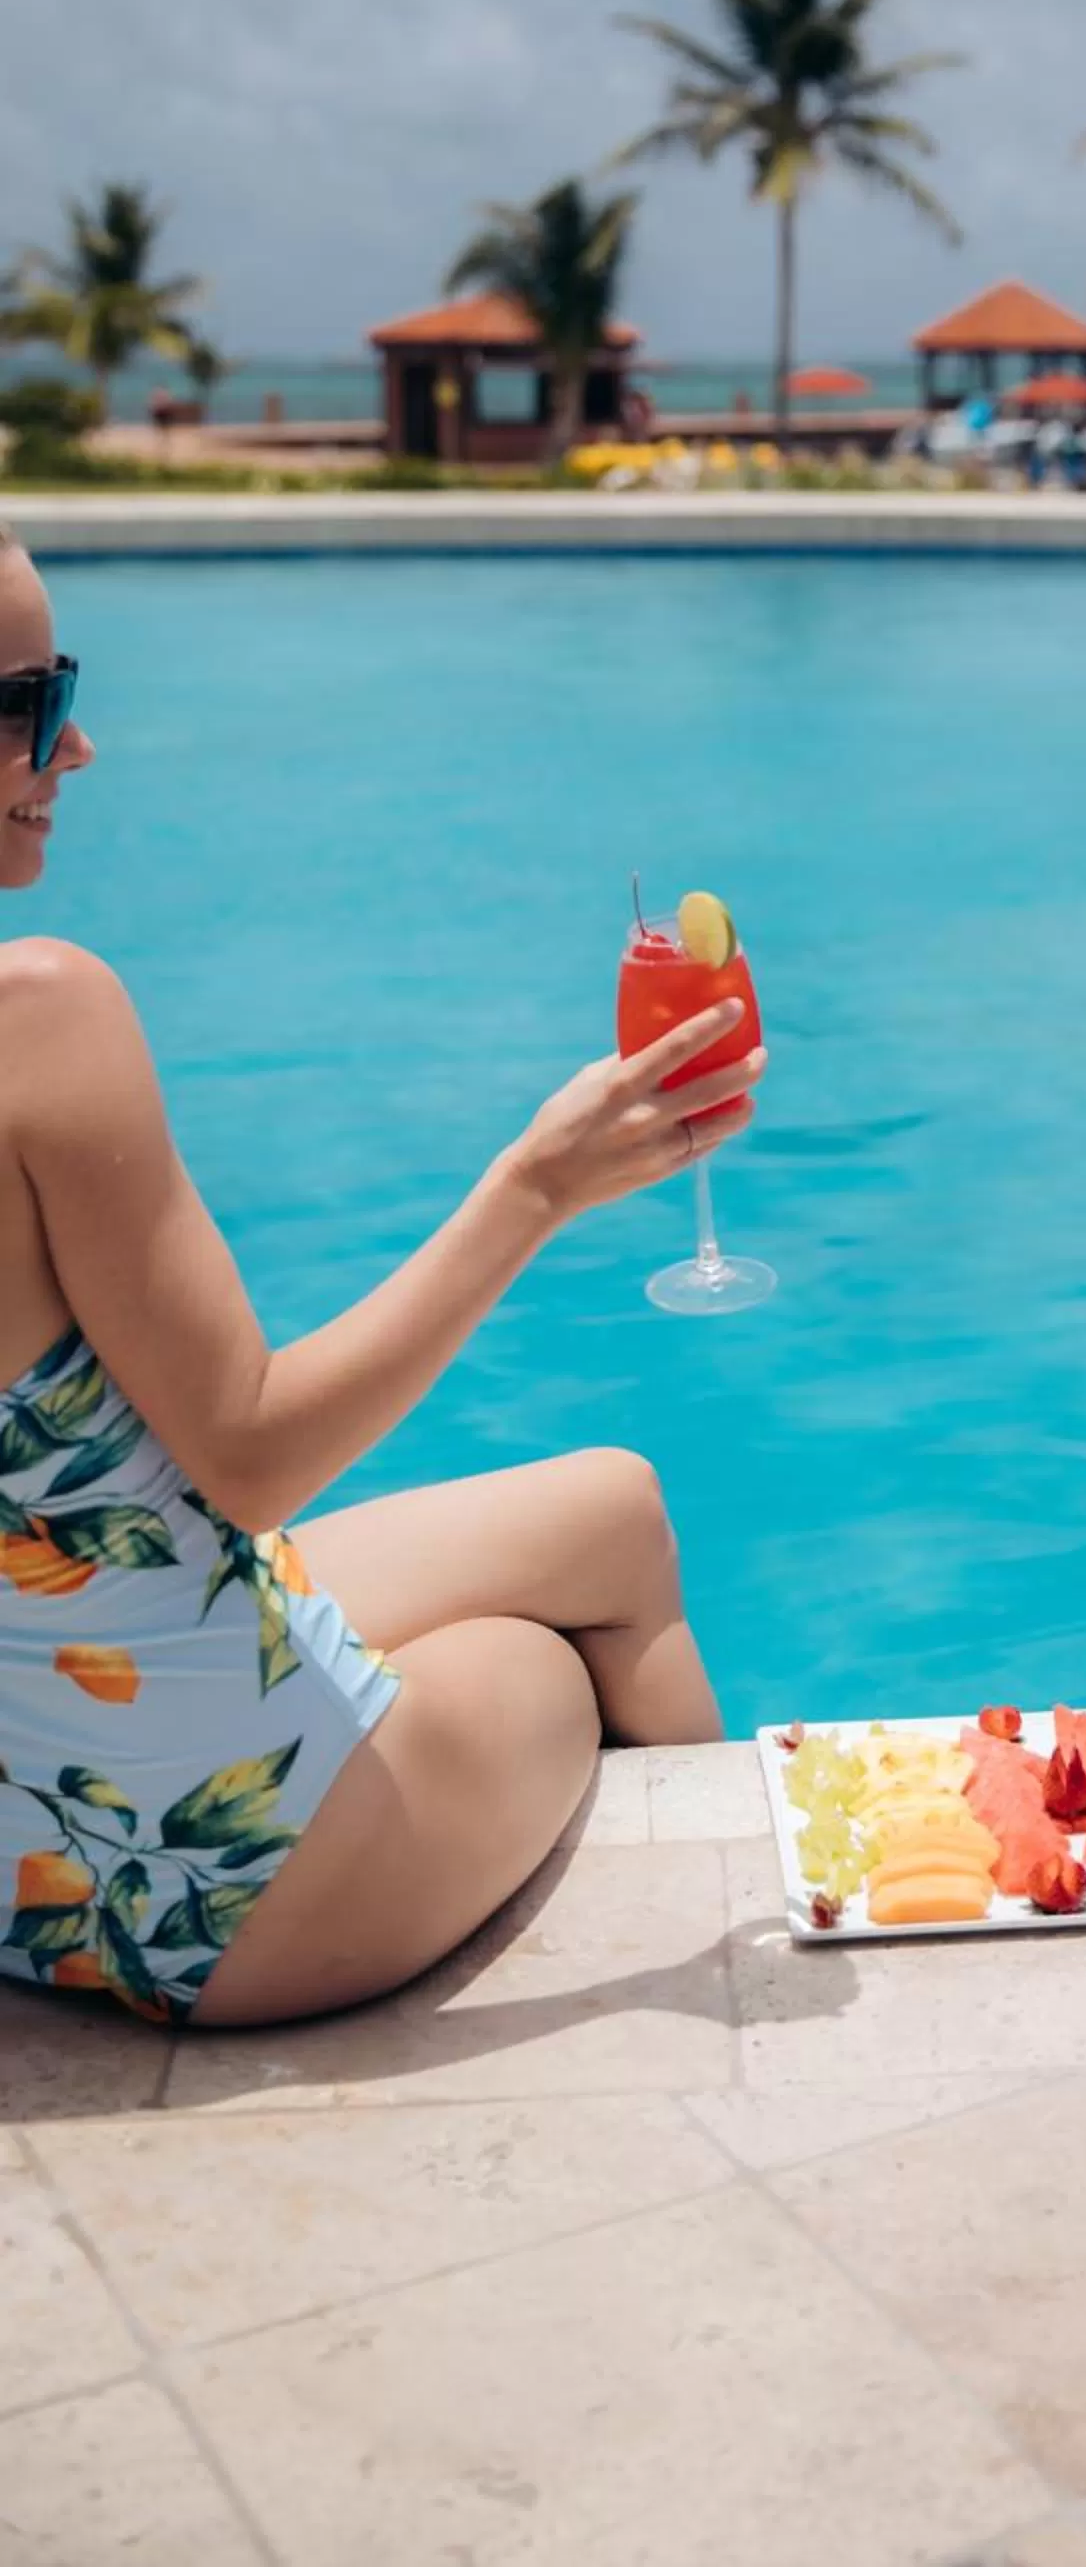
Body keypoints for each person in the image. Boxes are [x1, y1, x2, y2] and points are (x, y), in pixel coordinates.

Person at [0, 531, 763, 2030]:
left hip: (38, 1797)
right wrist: (535, 1186)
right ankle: (746, 1949)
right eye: (29, 698)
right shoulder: (38, 1023)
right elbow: (252, 1452)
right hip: (215, 1888)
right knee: (539, 1655)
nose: (75, 743)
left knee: (612, 1505)